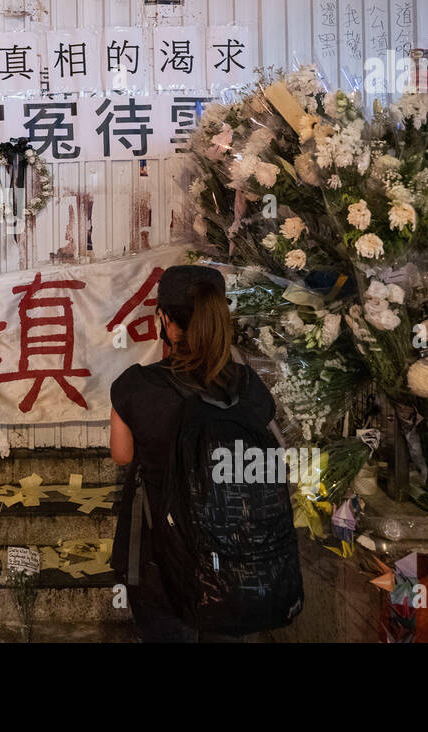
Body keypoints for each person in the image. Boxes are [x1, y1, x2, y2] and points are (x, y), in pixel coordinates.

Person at [109, 264, 280, 642]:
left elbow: (122, 455)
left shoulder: (134, 386)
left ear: (165, 321)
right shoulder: (249, 387)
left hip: (159, 560)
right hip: (233, 559)